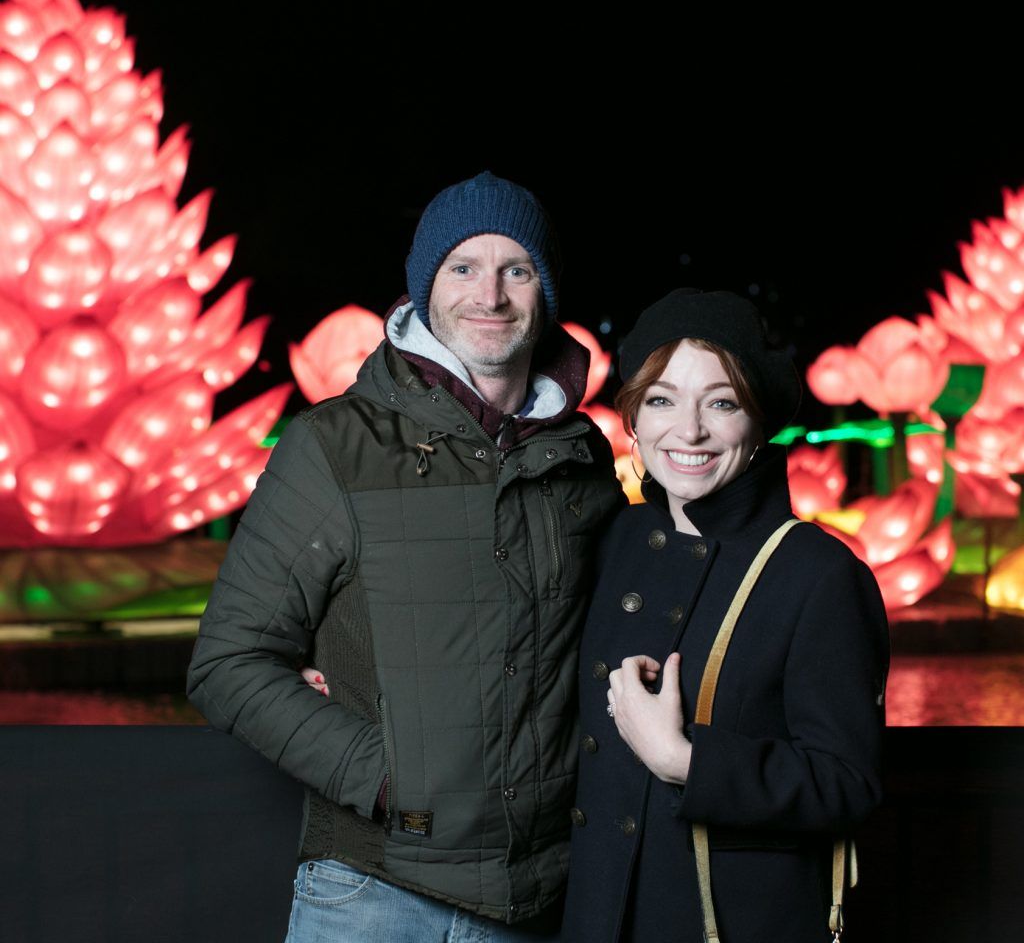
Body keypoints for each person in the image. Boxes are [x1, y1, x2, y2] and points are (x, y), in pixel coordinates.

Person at [186, 172, 624, 942]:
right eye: (462, 268)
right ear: (425, 286)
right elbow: (228, 662)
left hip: (541, 896)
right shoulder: (334, 447)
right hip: (374, 892)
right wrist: (386, 778)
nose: (488, 295)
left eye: (515, 270)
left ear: (543, 290)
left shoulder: (580, 456)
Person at [560, 288, 890, 943]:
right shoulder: (610, 543)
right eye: (661, 400)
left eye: (721, 402)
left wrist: (685, 759)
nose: (689, 431)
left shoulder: (819, 574)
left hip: (725, 924)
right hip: (592, 916)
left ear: (758, 420)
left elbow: (849, 784)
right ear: (633, 417)